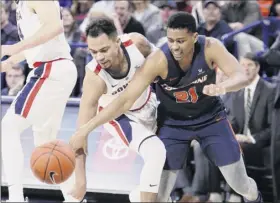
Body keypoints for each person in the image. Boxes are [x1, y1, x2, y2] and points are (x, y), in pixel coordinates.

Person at [70, 12, 263, 203]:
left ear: (194, 37)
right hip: (158, 120)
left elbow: (240, 76)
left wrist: (223, 86)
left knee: (240, 184)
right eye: (170, 40)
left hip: (209, 118)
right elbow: (123, 102)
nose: (174, 47)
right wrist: (81, 166)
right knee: (157, 178)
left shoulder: (208, 47)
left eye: (180, 41)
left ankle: (257, 198)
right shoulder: (155, 61)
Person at [69, 18, 166, 202]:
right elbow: (81, 132)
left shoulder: (137, 44)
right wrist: (80, 179)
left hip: (149, 102)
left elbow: (164, 68)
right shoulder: (95, 77)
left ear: (118, 42)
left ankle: (138, 196)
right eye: (93, 51)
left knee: (165, 173)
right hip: (120, 118)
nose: (99, 57)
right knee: (156, 151)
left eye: (104, 50)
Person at [1, 0, 77, 202]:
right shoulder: (20, 5)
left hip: (51, 69)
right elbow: (39, 40)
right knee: (47, 145)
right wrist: (8, 62)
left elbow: (54, 26)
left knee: (8, 127)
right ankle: (74, 199)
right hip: (55, 69)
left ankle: (16, 198)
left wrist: (12, 47)